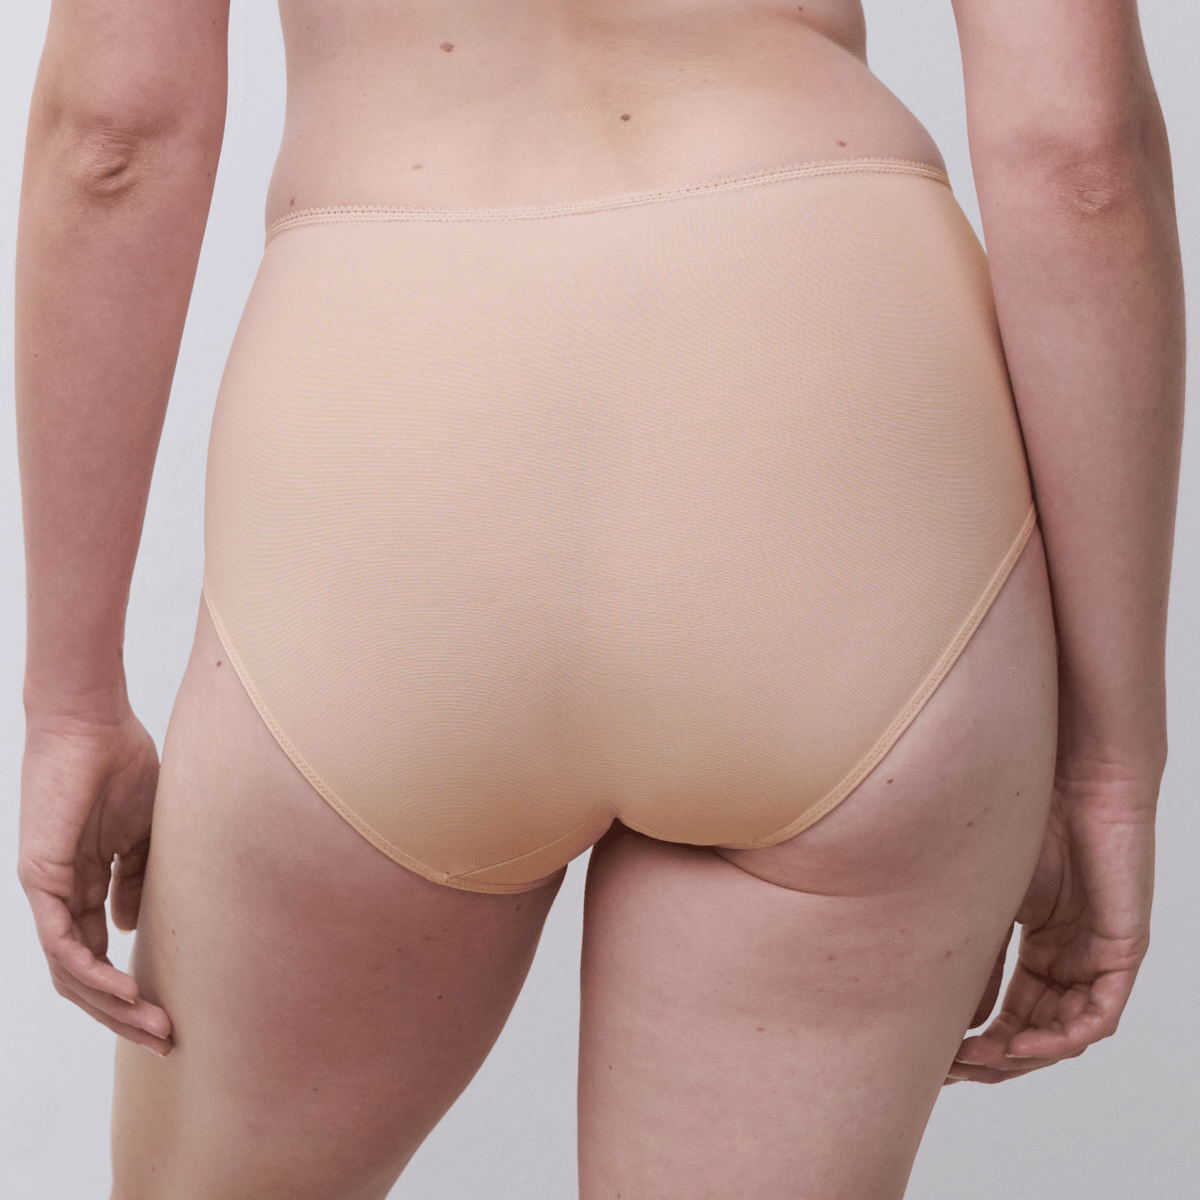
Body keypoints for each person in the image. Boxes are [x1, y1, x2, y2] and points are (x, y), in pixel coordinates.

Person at [14, 0, 1184, 1196]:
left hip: (401, 395)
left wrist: (70, 700)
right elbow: (1080, 158)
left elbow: (114, 140)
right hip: (829, 393)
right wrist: (1109, 757)